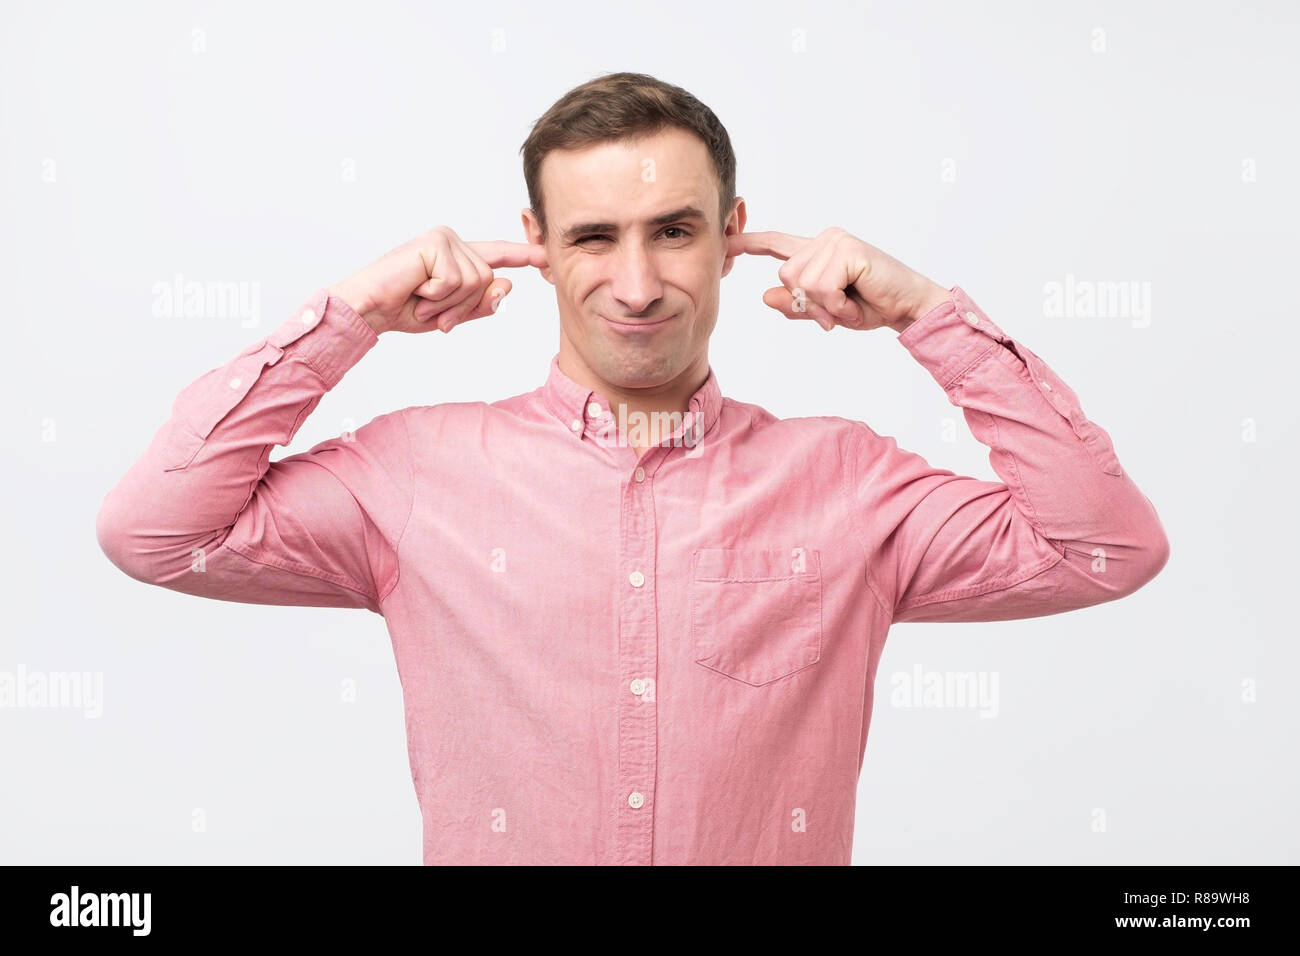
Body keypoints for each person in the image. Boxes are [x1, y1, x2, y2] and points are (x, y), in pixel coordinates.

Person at [96, 71, 1170, 865]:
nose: (639, 282)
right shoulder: (410, 473)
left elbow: (1103, 550)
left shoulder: (850, 481)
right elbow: (156, 532)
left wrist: (928, 315)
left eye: (674, 231)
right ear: (536, 240)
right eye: (595, 236)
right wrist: (350, 317)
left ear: (733, 235)